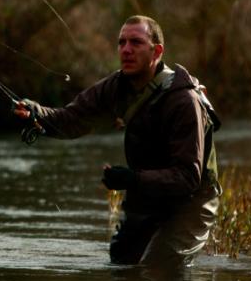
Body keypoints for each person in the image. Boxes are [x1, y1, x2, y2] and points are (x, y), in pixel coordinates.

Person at [14, 15, 221, 267]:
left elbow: (188, 177)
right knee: (122, 266)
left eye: (136, 42)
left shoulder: (183, 101)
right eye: (121, 42)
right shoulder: (116, 86)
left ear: (156, 51)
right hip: (148, 196)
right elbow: (73, 118)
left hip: (193, 201)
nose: (126, 50)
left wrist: (132, 179)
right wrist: (37, 113)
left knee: (156, 269)